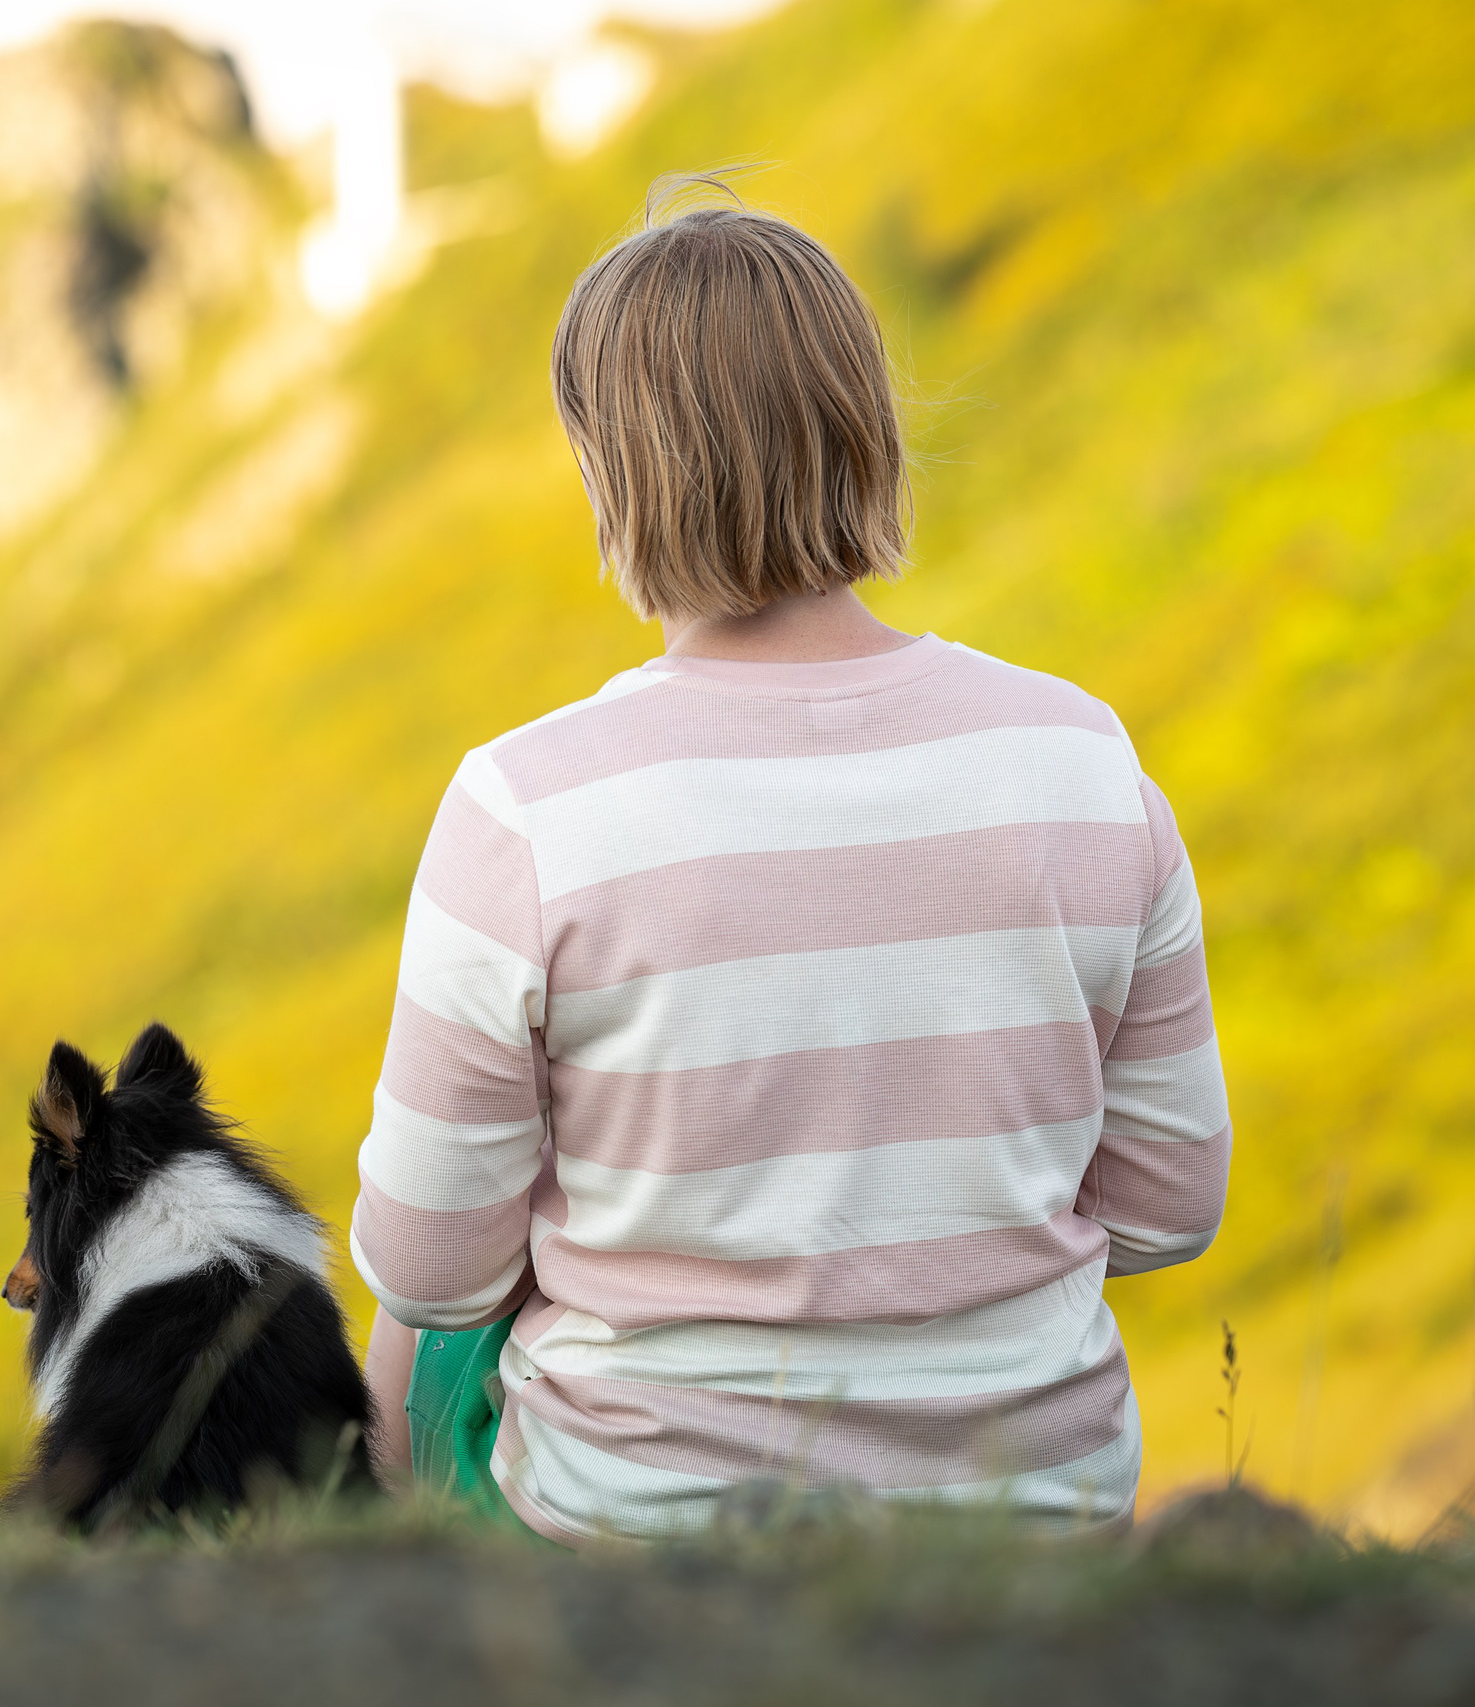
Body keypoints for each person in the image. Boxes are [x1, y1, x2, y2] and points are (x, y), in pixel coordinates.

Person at [349, 188, 1231, 1543]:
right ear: (863, 429)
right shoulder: (1084, 760)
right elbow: (1171, 1210)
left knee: (424, 1333)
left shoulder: (527, 808)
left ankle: (394, 1623)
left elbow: (425, 1265)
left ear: (614, 469)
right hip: (1038, 1529)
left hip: (638, 1549)